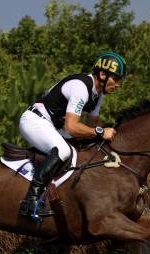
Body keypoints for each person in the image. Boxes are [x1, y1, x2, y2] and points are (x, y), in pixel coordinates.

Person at [18, 51, 126, 218]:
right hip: (34, 121)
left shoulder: (98, 95)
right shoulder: (81, 87)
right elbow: (72, 127)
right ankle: (30, 201)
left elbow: (92, 124)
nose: (118, 84)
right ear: (103, 75)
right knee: (63, 150)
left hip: (51, 126)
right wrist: (100, 132)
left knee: (83, 148)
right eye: (116, 79)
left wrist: (104, 135)